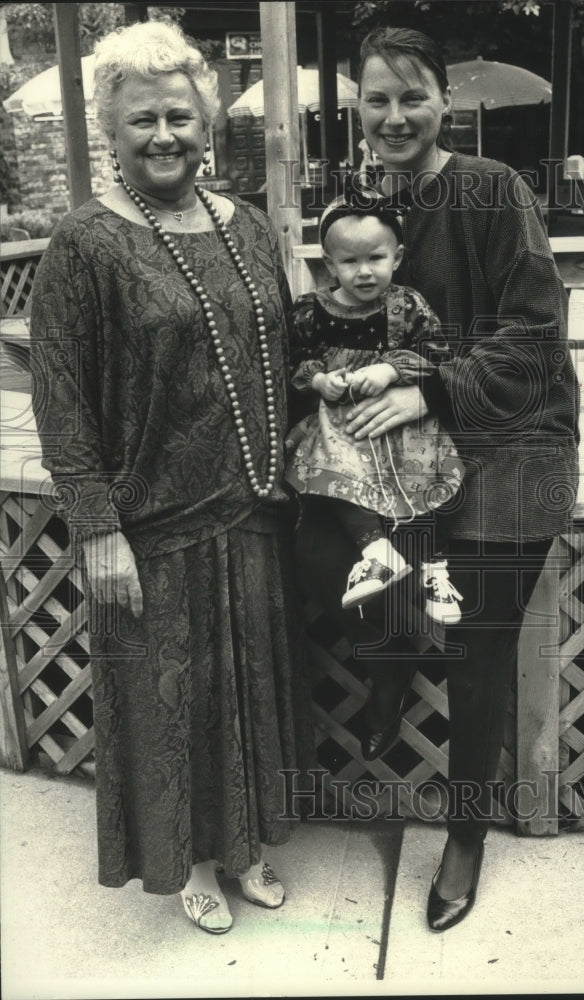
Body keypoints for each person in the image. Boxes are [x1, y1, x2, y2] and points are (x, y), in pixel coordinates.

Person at [29, 20, 314, 936]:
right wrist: (98, 525)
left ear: (208, 127)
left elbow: (280, 348)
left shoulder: (248, 226)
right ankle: (190, 858)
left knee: (252, 689)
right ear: (111, 132)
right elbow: (62, 396)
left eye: (180, 119)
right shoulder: (84, 243)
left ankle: (246, 848)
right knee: (172, 699)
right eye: (143, 119)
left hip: (257, 508)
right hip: (153, 520)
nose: (165, 136)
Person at [295, 26, 579, 932]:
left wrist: (427, 390)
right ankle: (392, 654)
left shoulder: (491, 190)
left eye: (410, 97)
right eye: (374, 100)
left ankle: (465, 835)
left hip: (512, 436)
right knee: (318, 545)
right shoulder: (370, 207)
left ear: (442, 104)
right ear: (356, 110)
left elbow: (534, 341)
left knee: (481, 637)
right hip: (406, 443)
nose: (392, 116)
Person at [285, 183, 465, 620]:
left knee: (430, 474)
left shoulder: (408, 305)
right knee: (330, 472)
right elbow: (290, 360)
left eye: (376, 258)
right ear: (329, 263)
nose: (364, 271)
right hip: (341, 425)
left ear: (397, 258)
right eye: (350, 261)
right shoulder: (311, 310)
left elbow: (439, 353)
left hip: (400, 421)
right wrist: (319, 379)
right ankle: (377, 551)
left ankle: (432, 568)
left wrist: (391, 369)